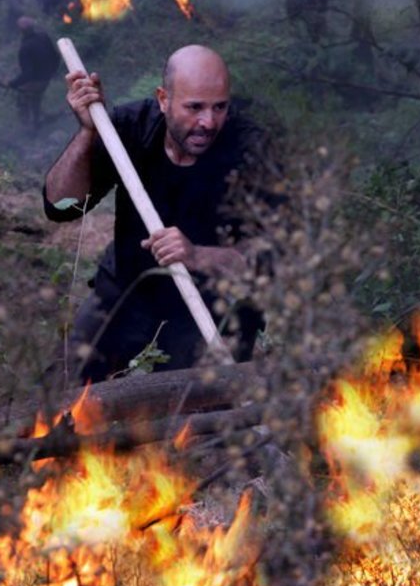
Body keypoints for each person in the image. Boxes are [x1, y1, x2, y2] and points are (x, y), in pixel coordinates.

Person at [43, 45, 270, 383]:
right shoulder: (128, 128)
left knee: (190, 409)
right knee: (63, 389)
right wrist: (89, 132)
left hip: (211, 305)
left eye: (219, 107)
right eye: (194, 107)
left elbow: (271, 257)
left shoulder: (252, 150)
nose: (208, 122)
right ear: (163, 99)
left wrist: (198, 255)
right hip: (126, 289)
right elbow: (61, 205)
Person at [7, 17, 58, 134]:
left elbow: (27, 74)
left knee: (22, 97)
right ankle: (37, 120)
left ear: (21, 31)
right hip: (47, 77)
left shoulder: (25, 48)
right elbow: (56, 56)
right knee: (36, 98)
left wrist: (13, 84)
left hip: (37, 80)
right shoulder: (44, 37)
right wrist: (52, 73)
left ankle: (28, 127)